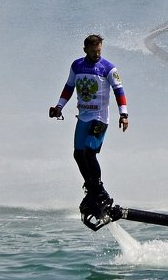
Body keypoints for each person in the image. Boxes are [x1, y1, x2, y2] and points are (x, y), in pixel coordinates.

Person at [49, 34, 129, 214]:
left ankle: (100, 191)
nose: (96, 54)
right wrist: (59, 107)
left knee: (89, 152)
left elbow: (119, 91)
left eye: (99, 51)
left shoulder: (108, 68)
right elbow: (69, 87)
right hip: (83, 117)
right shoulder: (77, 65)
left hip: (100, 118)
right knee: (78, 154)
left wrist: (124, 114)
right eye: (93, 52)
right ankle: (91, 190)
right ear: (85, 49)